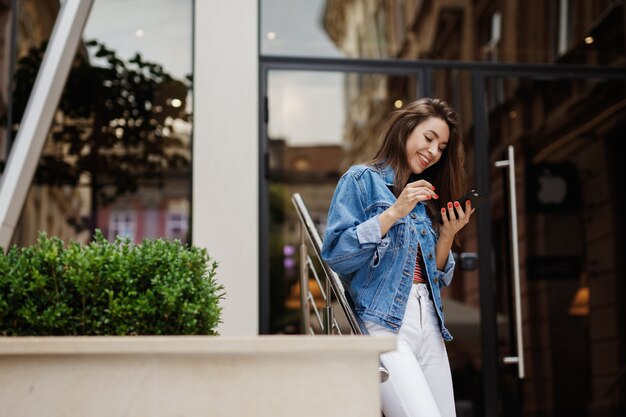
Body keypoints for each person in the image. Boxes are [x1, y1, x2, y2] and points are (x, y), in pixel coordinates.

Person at [321, 98, 474, 417]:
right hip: (385, 323)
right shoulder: (361, 180)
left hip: (429, 322)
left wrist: (446, 235)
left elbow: (437, 275)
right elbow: (336, 253)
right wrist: (393, 212)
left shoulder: (423, 195)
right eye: (429, 138)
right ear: (406, 129)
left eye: (442, 147)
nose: (434, 151)